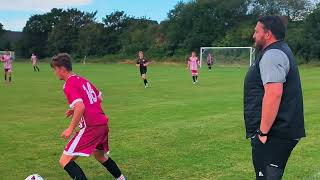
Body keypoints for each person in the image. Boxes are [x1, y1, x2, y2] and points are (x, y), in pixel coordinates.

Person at [243, 16, 305, 179]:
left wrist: (262, 132)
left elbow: (274, 94)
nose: (254, 35)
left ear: (268, 34)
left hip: (275, 134)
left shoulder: (273, 55)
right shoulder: (280, 50)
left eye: (257, 31)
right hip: (278, 132)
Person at [50, 53, 125, 180]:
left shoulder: (69, 84)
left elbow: (81, 106)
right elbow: (98, 97)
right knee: (100, 156)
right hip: (102, 123)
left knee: (65, 160)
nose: (55, 73)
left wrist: (70, 128)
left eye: (55, 69)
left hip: (91, 126)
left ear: (62, 69)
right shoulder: (83, 80)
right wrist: (74, 110)